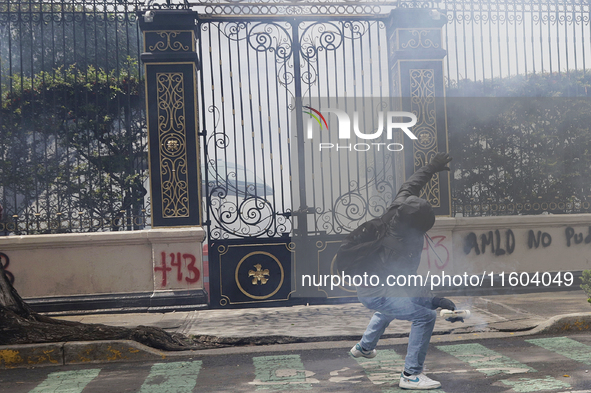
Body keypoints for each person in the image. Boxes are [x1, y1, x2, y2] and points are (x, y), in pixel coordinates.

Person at [349, 151, 456, 390]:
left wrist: (432, 166)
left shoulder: (401, 206)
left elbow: (411, 184)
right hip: (376, 290)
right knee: (423, 316)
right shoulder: (399, 246)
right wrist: (434, 300)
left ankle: (365, 348)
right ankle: (410, 375)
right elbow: (407, 285)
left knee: (390, 308)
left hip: (373, 286)